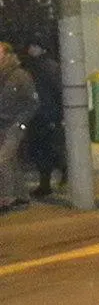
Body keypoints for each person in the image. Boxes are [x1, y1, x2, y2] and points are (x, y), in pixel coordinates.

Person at [22, 40, 64, 198]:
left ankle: (46, 183)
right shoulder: (34, 66)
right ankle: (57, 173)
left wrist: (58, 114)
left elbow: (57, 91)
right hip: (40, 114)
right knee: (43, 149)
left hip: (46, 114)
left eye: (34, 46)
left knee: (45, 149)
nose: (31, 49)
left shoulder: (48, 67)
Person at [0, 42, 38, 212]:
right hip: (2, 124)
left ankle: (7, 198)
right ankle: (22, 196)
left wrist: (21, 122)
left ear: (7, 55)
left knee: (3, 160)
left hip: (14, 125)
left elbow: (33, 102)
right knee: (12, 161)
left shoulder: (20, 75)